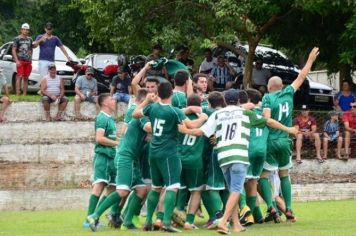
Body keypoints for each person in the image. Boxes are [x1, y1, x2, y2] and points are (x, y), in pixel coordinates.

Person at [178, 88, 297, 234]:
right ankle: (223, 222)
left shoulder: (218, 114)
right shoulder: (245, 113)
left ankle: (235, 224)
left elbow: (200, 132)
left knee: (231, 191)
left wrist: (185, 131)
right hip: (239, 155)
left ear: (225, 101)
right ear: (239, 101)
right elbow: (269, 122)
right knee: (236, 190)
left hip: (223, 157)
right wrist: (289, 130)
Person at [132, 82, 208, 232]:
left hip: (153, 152)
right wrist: (203, 118)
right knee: (172, 187)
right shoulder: (175, 112)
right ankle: (166, 221)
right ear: (171, 94)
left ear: (158, 93)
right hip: (169, 153)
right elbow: (192, 125)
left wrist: (147, 100)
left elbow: (135, 114)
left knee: (156, 187)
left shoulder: (152, 107)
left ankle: (149, 221)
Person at [259, 47, 319, 223]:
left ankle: (270, 205)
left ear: (270, 87)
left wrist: (287, 129)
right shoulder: (288, 93)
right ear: (282, 86)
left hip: (272, 140)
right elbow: (301, 76)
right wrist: (310, 60)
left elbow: (267, 121)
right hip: (286, 142)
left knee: (263, 175)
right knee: (284, 174)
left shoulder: (267, 98)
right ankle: (290, 208)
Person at [86, 90, 151, 232]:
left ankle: (126, 221)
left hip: (131, 157)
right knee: (119, 190)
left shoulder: (136, 113)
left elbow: (141, 135)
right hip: (123, 157)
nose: (114, 100)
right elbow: (147, 128)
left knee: (141, 190)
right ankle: (94, 216)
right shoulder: (138, 112)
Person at [84, 93, 118, 230]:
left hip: (111, 157)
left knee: (112, 188)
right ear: (105, 103)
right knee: (99, 185)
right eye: (111, 99)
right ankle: (88, 219)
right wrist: (117, 142)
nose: (114, 101)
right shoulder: (102, 118)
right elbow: (99, 138)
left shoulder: (110, 119)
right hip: (103, 157)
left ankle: (96, 217)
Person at [12, 23, 33, 96]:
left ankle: (24, 94)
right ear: (21, 30)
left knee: (26, 77)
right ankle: (18, 93)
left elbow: (31, 49)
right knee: (19, 76)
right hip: (20, 60)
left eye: (27, 30)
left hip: (28, 61)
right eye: (24, 29)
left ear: (28, 31)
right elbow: (13, 50)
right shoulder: (17, 38)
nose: (25, 31)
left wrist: (30, 57)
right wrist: (16, 60)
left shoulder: (30, 39)